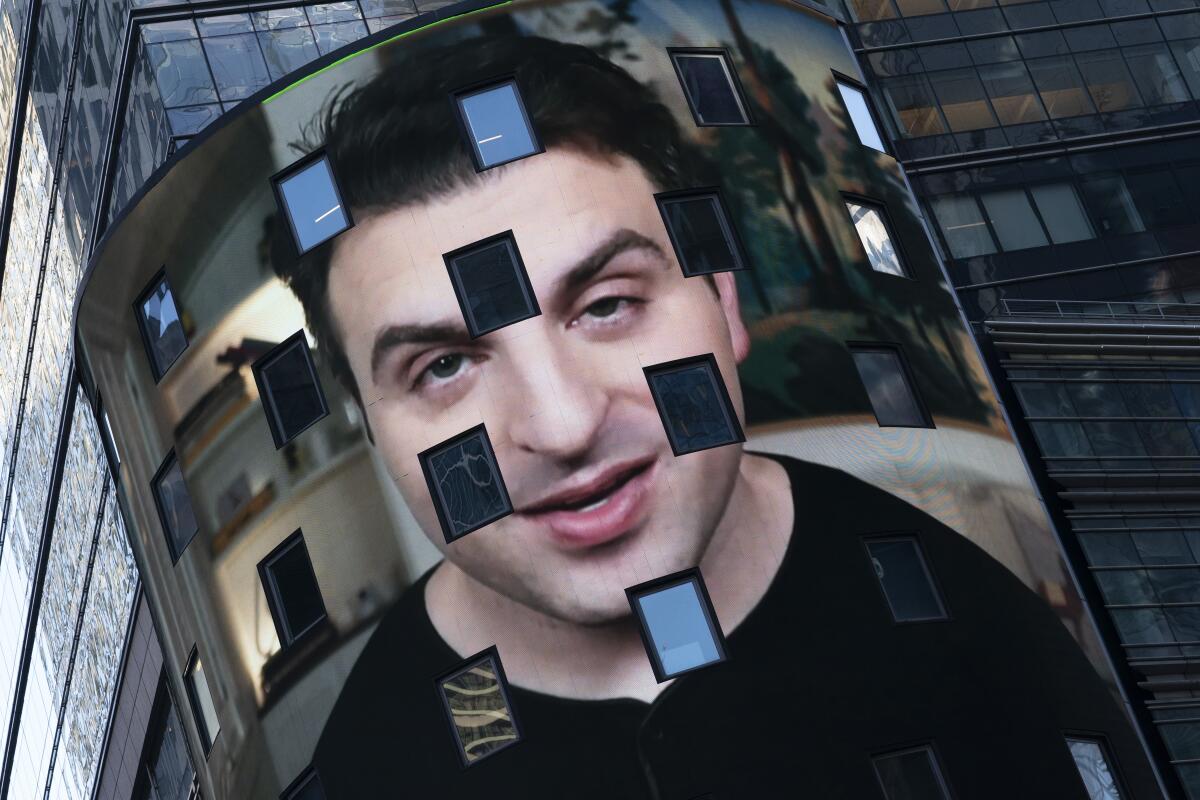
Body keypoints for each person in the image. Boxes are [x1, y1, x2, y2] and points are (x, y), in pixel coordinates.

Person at [272, 33, 1147, 800]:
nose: (566, 425)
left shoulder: (967, 622)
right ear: (371, 426)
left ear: (723, 302)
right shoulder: (370, 758)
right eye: (445, 365)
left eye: (608, 305)